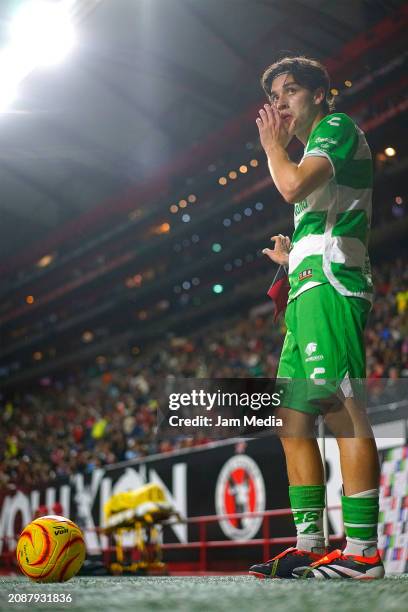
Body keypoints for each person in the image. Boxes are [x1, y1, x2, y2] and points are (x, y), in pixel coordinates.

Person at [249, 56, 384, 579]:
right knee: (294, 420)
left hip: (332, 285)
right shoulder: (312, 149)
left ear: (322, 94)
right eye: (274, 96)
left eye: (291, 92)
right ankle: (309, 543)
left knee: (340, 404)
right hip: (307, 288)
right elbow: (319, 212)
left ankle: (364, 551)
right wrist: (291, 259)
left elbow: (291, 186)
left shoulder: (336, 129)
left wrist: (271, 149)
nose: (280, 103)